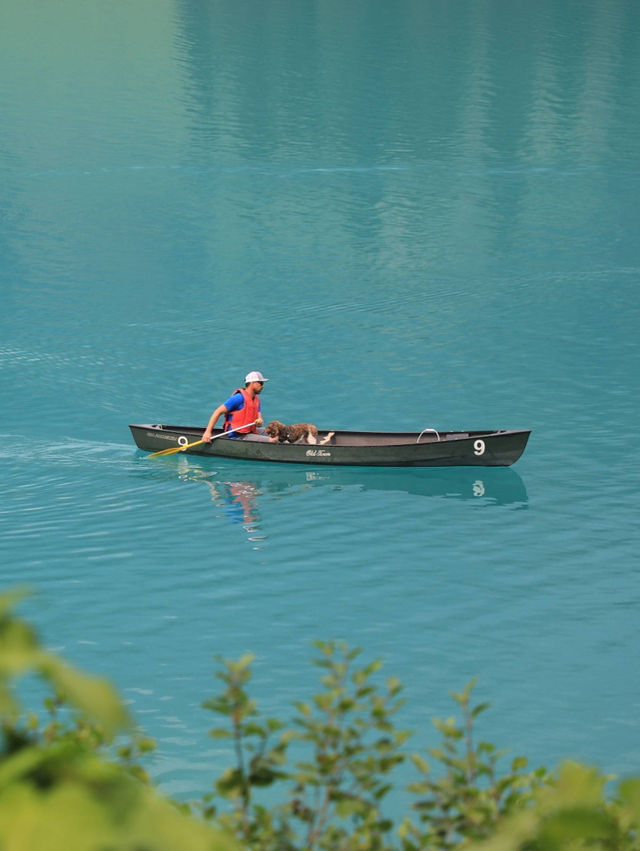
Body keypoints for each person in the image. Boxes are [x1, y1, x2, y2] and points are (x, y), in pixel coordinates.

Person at [201, 371, 272, 443]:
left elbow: (259, 419)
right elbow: (217, 412)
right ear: (253, 383)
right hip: (238, 436)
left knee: (274, 432)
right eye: (261, 383)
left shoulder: (256, 400)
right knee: (272, 440)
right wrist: (207, 432)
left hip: (250, 432)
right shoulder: (238, 398)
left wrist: (259, 421)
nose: (263, 386)